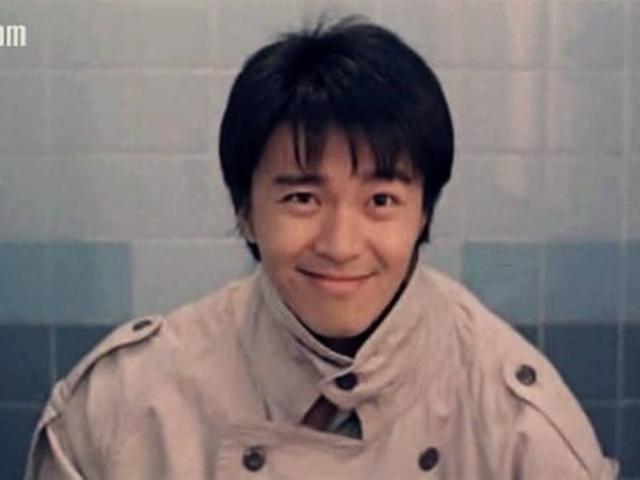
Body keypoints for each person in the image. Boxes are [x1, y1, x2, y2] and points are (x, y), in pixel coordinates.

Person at [25, 17, 618, 479]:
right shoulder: (122, 406)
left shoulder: (518, 423)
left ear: (423, 213)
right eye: (302, 198)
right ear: (245, 210)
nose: (339, 245)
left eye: (380, 200)